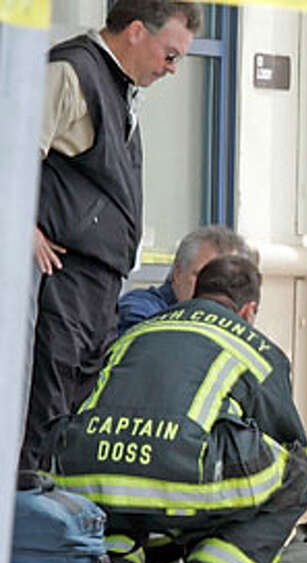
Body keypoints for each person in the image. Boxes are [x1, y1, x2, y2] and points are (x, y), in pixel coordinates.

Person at [48, 255, 307, 563]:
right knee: (297, 474)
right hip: (175, 472)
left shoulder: (139, 331)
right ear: (249, 309)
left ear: (195, 292)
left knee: (133, 482)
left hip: (86, 472)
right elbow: (288, 441)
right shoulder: (257, 349)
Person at [26, 0, 202, 472]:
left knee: (71, 423)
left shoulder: (118, 87)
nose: (171, 70)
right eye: (170, 55)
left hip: (97, 288)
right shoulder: (72, 71)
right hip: (62, 278)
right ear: (137, 32)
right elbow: (12, 151)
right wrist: (24, 232)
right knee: (44, 417)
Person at [118, 225, 258, 333]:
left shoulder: (237, 318)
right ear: (178, 273)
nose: (216, 290)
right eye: (204, 276)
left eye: (229, 282)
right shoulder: (141, 309)